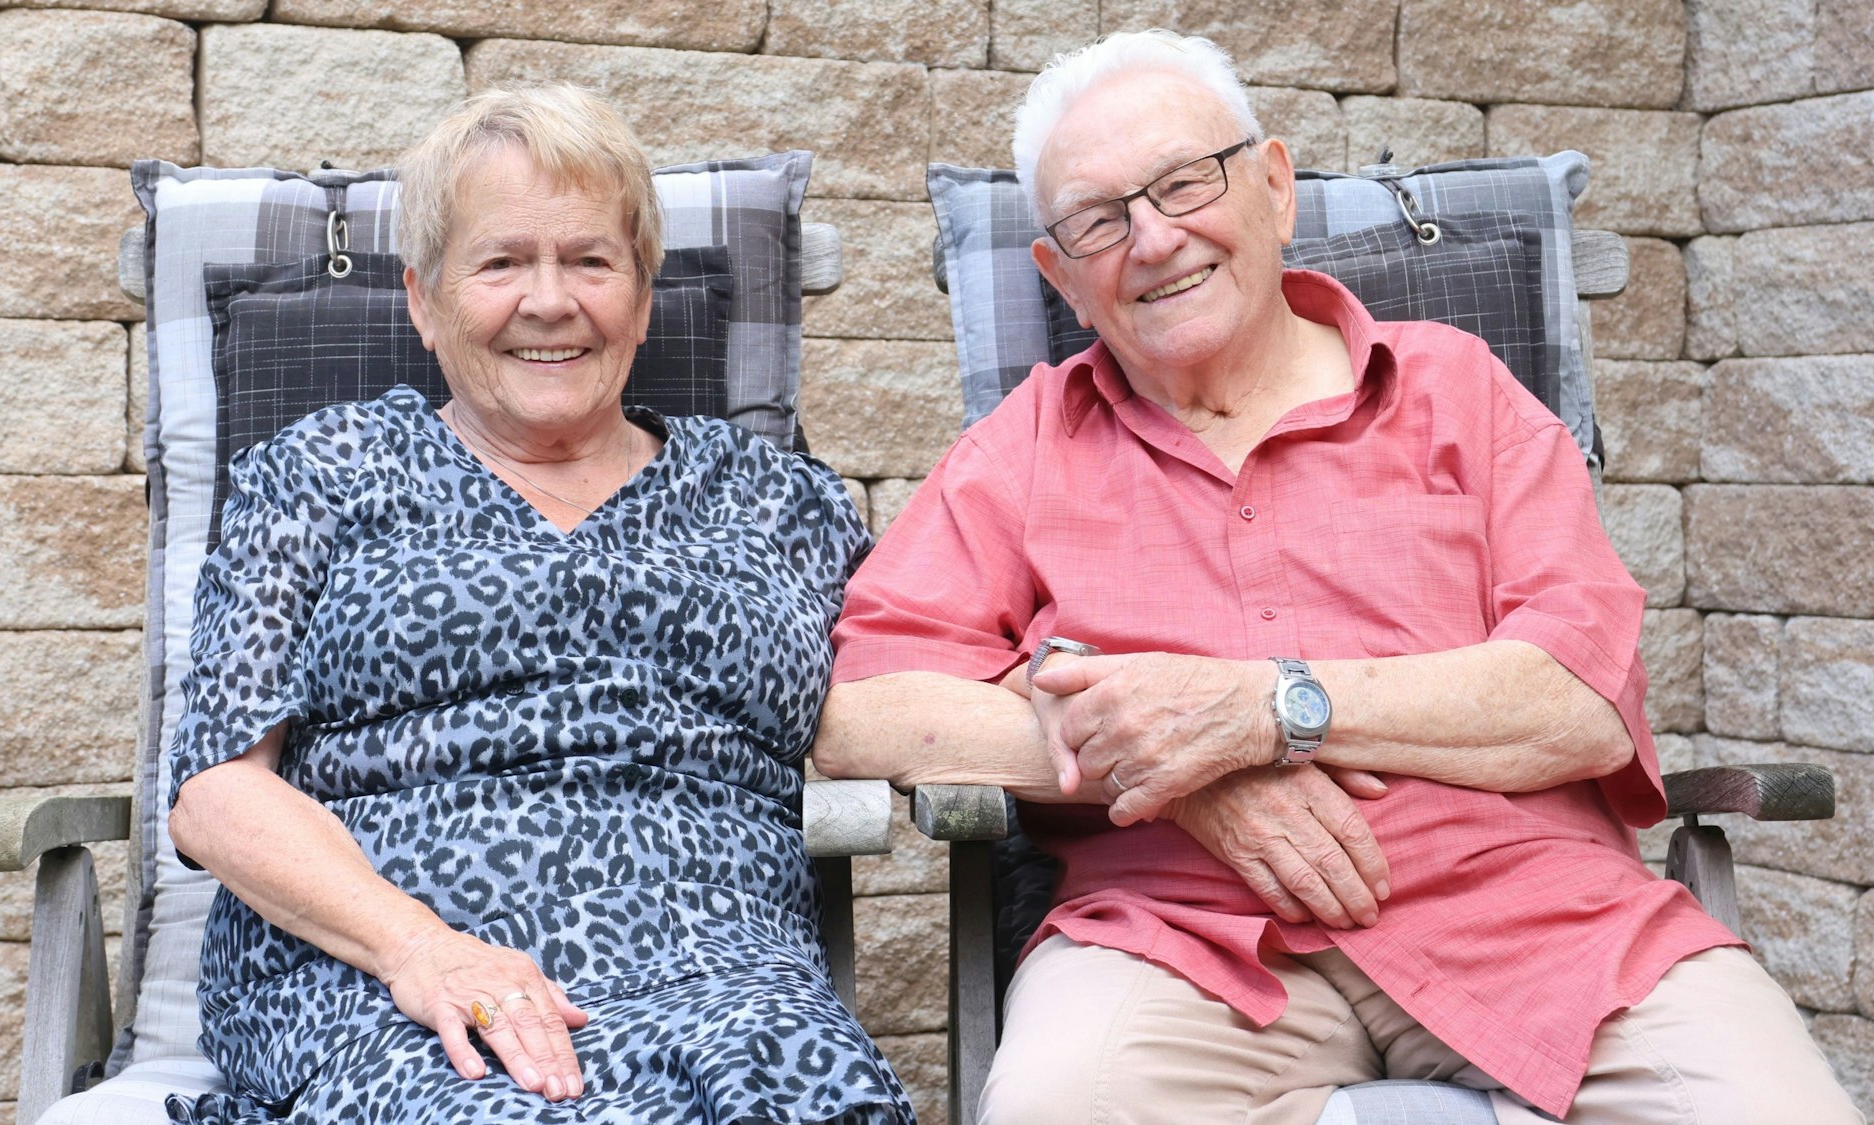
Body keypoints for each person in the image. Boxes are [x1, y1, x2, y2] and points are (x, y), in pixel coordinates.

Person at [814, 29, 1859, 1125]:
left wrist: (1269, 709)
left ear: (1272, 187)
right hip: (1187, 948)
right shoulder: (1025, 448)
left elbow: (1583, 699)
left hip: (1540, 923)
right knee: (1055, 1106)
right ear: (1061, 275)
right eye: (1098, 219)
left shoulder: (1460, 392)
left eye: (1183, 184)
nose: (1153, 239)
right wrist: (1180, 762)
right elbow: (867, 712)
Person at [163, 85, 915, 1125]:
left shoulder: (774, 501)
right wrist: (422, 951)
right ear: (424, 301)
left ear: (644, 297)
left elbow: (929, 669)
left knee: (817, 1093)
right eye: (502, 261)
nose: (550, 300)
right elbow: (215, 793)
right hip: (395, 986)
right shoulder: (319, 475)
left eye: (590, 261)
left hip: (722, 976)